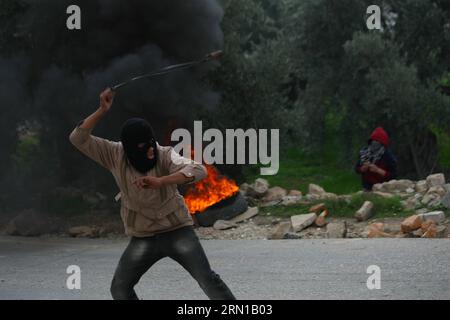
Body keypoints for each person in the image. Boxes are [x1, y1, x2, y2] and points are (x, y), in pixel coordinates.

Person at [69, 88, 236, 300]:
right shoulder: (114, 154)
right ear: (129, 149)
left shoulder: (164, 154)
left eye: (151, 143)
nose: (150, 150)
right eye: (143, 146)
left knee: (208, 279)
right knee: (119, 288)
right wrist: (102, 110)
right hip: (143, 237)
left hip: (177, 231)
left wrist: (161, 181)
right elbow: (78, 138)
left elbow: (198, 170)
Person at [355, 127, 397, 191]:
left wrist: (378, 170)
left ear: (382, 143)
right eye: (373, 141)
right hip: (367, 188)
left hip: (383, 188)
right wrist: (363, 168)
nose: (374, 143)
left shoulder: (388, 156)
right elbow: (357, 169)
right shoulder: (364, 153)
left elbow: (393, 175)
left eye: (377, 141)